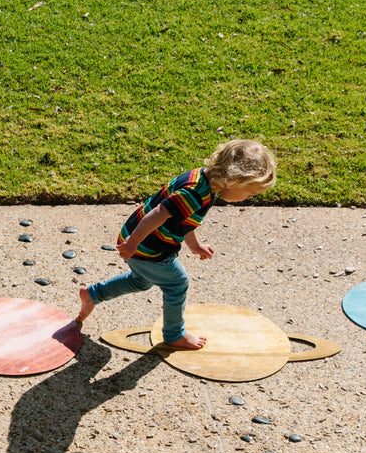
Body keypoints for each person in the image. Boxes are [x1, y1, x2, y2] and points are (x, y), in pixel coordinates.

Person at [75, 139, 276, 349]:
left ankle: (93, 294)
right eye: (250, 193)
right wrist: (133, 242)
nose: (249, 197)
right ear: (234, 180)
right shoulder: (196, 194)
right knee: (177, 283)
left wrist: (195, 245)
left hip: (139, 239)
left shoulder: (203, 179)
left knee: (141, 281)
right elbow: (160, 213)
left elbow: (183, 220)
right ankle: (174, 335)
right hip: (148, 246)